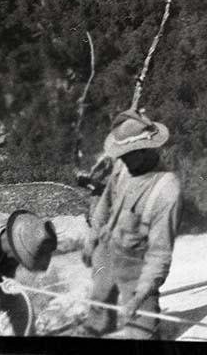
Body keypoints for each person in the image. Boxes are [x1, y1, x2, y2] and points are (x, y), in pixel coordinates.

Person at [81, 110, 181, 339]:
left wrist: (139, 297)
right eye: (121, 154)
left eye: (128, 154)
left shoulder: (166, 189)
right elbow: (105, 203)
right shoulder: (123, 165)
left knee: (142, 335)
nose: (122, 159)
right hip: (107, 250)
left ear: (146, 150)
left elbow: (160, 254)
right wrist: (92, 239)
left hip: (137, 264)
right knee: (97, 313)